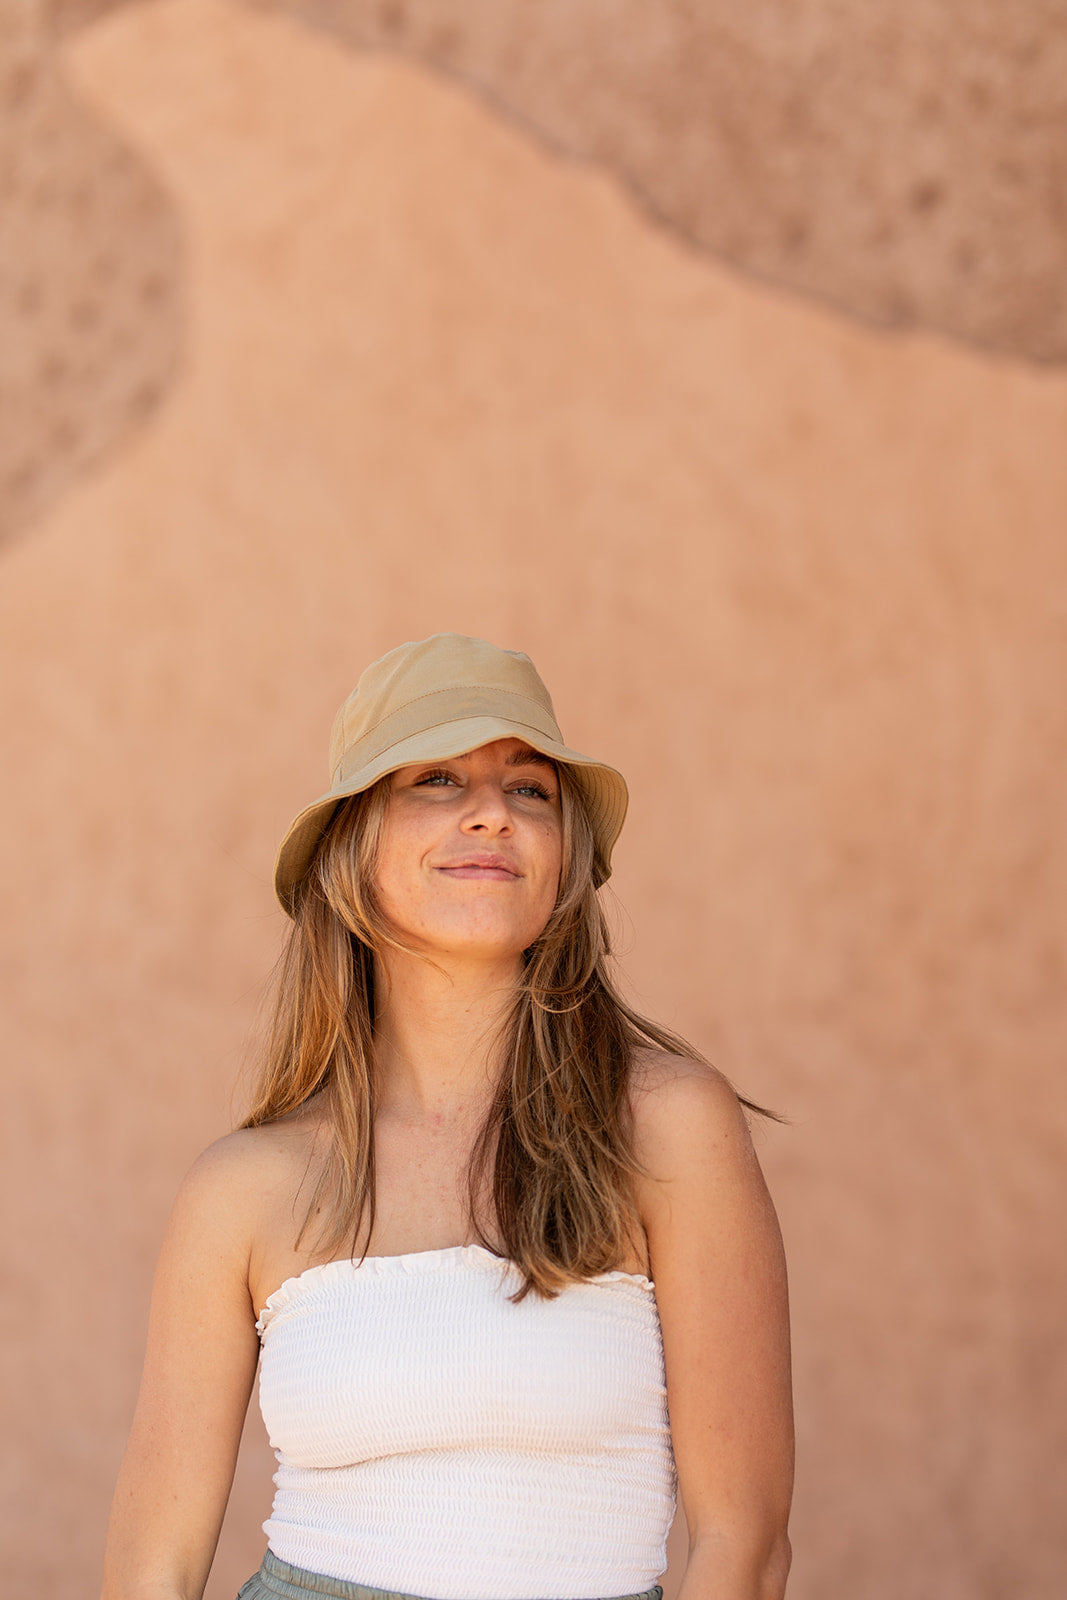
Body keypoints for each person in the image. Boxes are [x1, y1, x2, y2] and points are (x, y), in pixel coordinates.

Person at [101, 633, 794, 1600]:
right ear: (353, 849)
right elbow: (152, 1565)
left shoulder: (669, 1127)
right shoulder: (242, 1188)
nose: (488, 817)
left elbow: (744, 1544)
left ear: (565, 857)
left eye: (529, 790)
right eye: (434, 779)